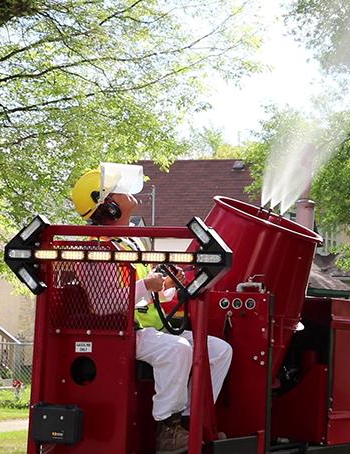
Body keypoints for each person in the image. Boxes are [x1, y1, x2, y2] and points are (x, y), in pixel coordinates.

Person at [72, 164, 233, 454]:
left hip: (141, 330)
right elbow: (104, 304)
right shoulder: (96, 250)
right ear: (108, 207)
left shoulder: (126, 243)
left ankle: (187, 421)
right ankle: (167, 429)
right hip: (116, 334)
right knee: (179, 349)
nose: (128, 192)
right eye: (119, 191)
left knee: (220, 351)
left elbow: (143, 298)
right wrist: (149, 283)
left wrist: (168, 286)